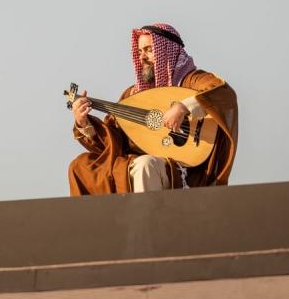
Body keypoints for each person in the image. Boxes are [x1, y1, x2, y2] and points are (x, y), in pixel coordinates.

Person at [68, 23, 237, 194]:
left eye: (149, 49)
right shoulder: (132, 94)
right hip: (137, 159)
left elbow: (223, 93)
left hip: (184, 168)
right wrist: (84, 124)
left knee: (145, 166)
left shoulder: (192, 81)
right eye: (140, 51)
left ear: (166, 51)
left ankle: (147, 220)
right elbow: (114, 140)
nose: (142, 57)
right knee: (81, 166)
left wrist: (183, 107)